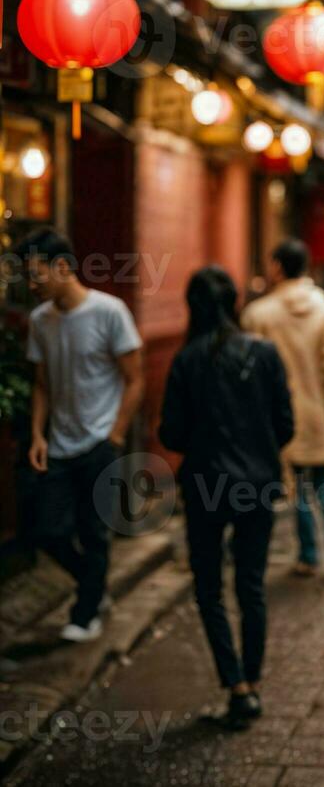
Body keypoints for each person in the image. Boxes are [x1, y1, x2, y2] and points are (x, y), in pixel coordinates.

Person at [159, 267, 293, 728]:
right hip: (257, 484)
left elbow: (171, 434)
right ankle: (252, 683)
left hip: (204, 487)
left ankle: (234, 684)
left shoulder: (186, 359)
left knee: (209, 588)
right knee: (251, 585)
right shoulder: (265, 353)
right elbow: (285, 425)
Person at [21, 228, 144, 643]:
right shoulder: (41, 321)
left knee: (94, 533)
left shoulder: (110, 312)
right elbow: (41, 383)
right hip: (58, 443)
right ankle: (94, 586)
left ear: (61, 267)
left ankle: (85, 611)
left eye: (36, 274)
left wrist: (115, 435)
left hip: (99, 443)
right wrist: (38, 435)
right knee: (47, 531)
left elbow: (135, 378)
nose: (31, 283)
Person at [241, 240, 324, 577]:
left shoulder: (258, 315)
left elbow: (249, 375)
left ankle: (308, 556)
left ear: (279, 267)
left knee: (296, 488)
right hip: (319, 414)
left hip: (277, 418)